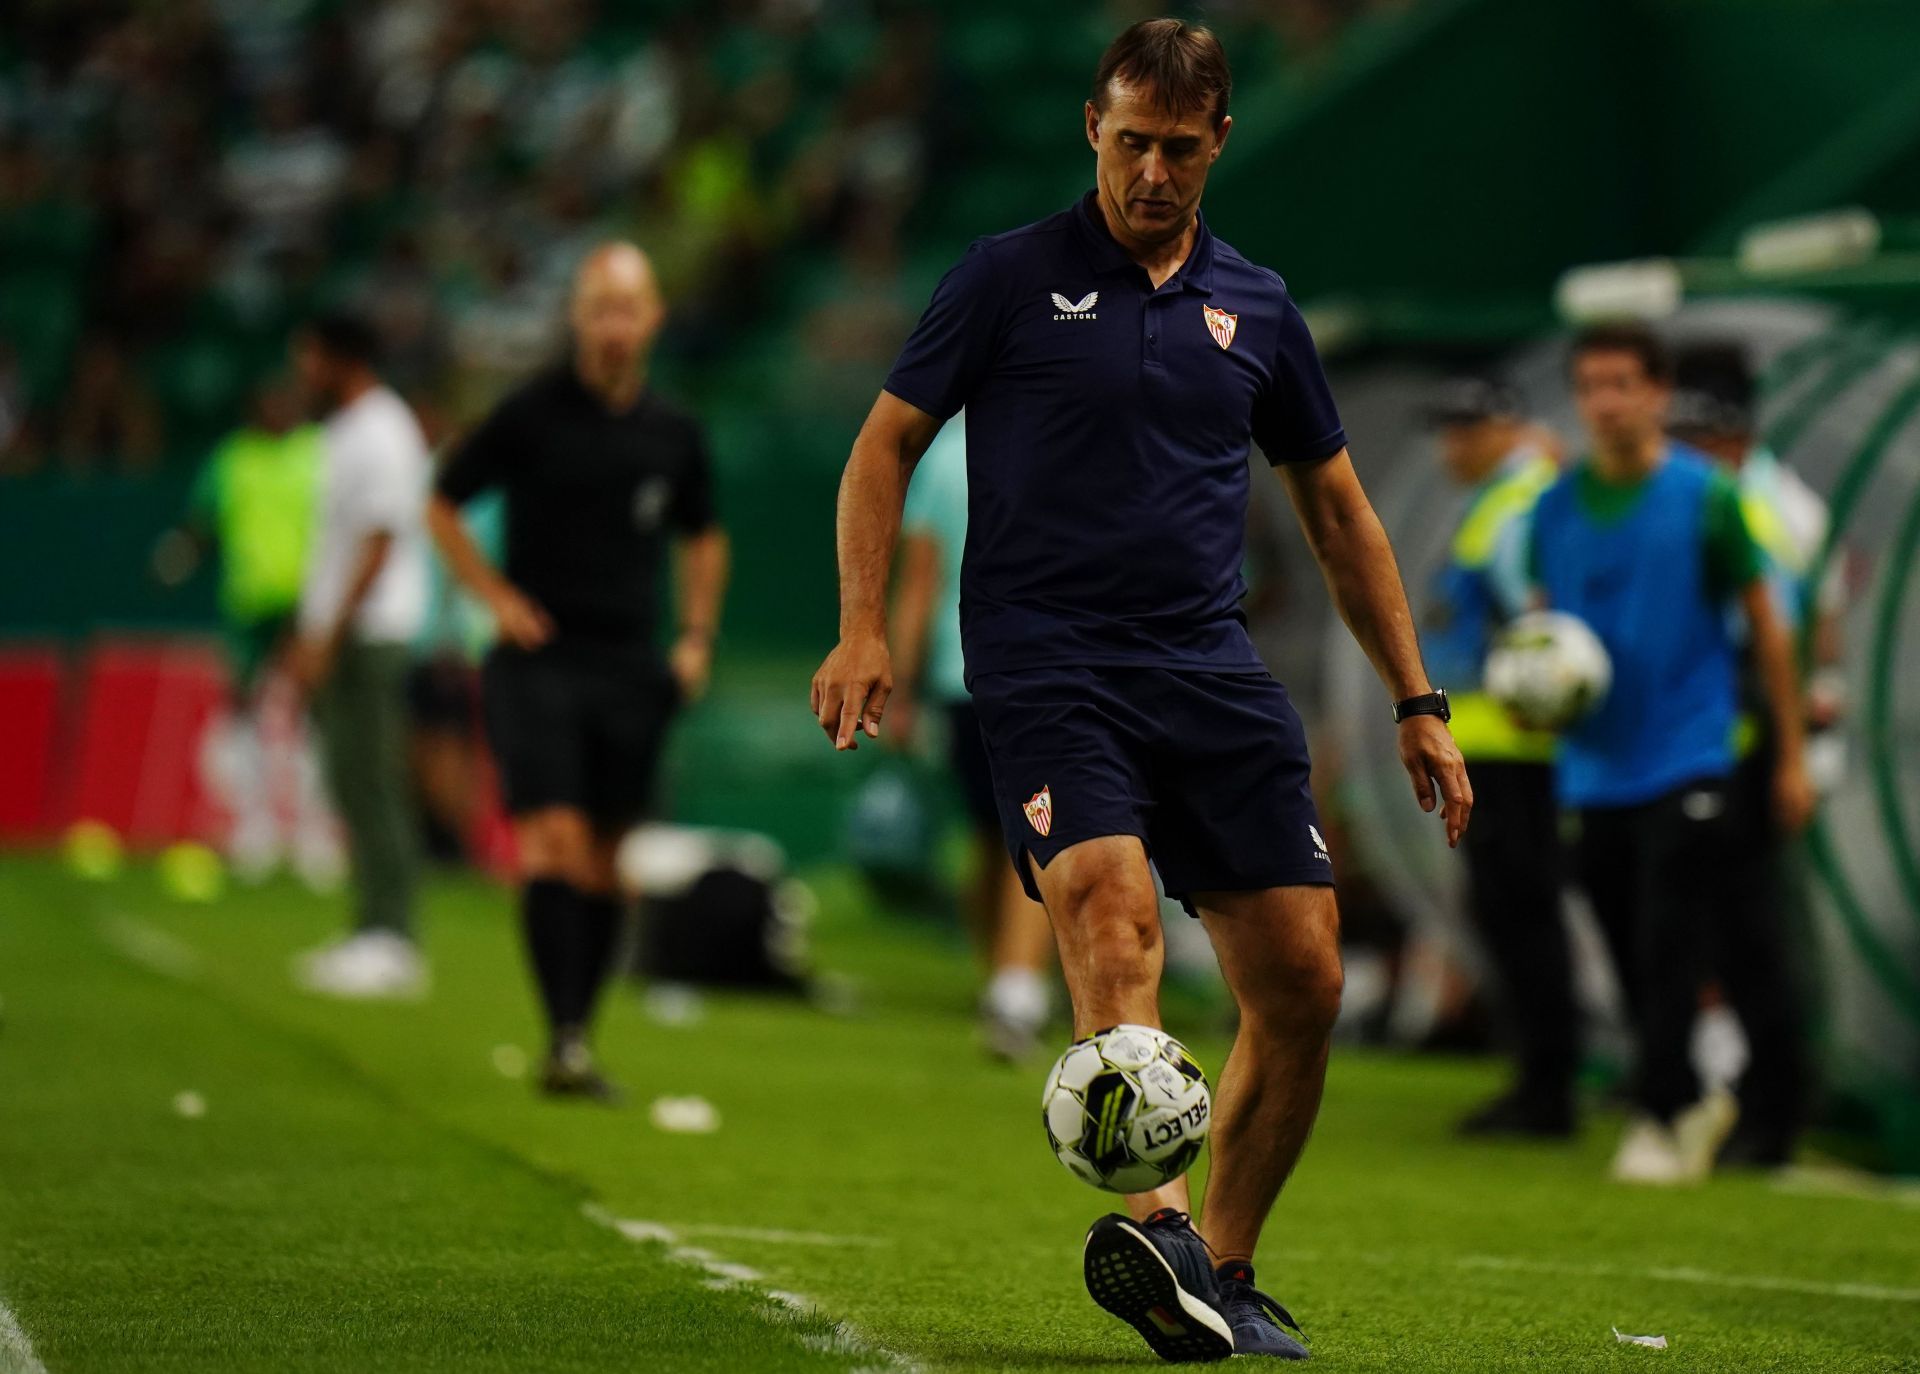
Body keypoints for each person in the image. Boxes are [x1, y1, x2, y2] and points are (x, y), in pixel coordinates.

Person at [811, 20, 1470, 1361]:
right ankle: (1157, 1229)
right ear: (1092, 132)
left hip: (1207, 665)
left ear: (1218, 139)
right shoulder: (1005, 279)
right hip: (1045, 653)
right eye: (1130, 143)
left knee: (1305, 978)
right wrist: (862, 626)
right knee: (1109, 905)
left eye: (1178, 147)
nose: (1152, 172)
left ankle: (1220, 1265)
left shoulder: (1260, 307)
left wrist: (1417, 697)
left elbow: (1339, 513)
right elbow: (884, 444)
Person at [429, 243, 729, 1101]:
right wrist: (493, 596)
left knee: (604, 858)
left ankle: (578, 1038)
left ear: (653, 319)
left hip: (631, 663)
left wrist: (697, 635)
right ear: (577, 317)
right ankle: (560, 1033)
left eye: (627, 308)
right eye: (599, 307)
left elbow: (705, 534)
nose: (613, 326)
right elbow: (442, 500)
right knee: (551, 838)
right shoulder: (530, 414)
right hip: (539, 661)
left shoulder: (674, 432)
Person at [1529, 323, 1814, 1186]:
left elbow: (1768, 625)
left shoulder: (1707, 497)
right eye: (1591, 385)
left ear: (1657, 394)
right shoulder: (1554, 507)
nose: (1607, 401)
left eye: (1624, 383)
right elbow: (1548, 626)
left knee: (1669, 934)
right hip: (1592, 764)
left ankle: (1663, 1112)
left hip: (1691, 756)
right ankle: (1685, 1089)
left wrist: (1793, 755)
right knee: (1619, 936)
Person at [1667, 341, 1831, 1168]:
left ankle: (1775, 1109)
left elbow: (1780, 633)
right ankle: (1724, 1095)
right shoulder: (1747, 496)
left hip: (1749, 739)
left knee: (1753, 931)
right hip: (1720, 738)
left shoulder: (1762, 508)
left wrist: (1792, 750)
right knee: (1720, 927)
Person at [1419, 378, 1572, 1137]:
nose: (1454, 444)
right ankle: (1541, 1076)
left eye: (1467, 427)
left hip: (1516, 748)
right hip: (1493, 743)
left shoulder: (1521, 502)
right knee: (1511, 910)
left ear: (1510, 425)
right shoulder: (1502, 497)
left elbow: (1542, 624)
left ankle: (1546, 1086)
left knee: (1522, 910)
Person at [889, 412, 1057, 1061]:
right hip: (1036, 671)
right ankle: (1014, 987)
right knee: (1033, 835)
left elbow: (918, 583)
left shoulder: (942, 457)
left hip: (961, 676)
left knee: (994, 839)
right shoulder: (1057, 439)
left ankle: (1006, 982)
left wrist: (903, 687)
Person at [288, 313, 433, 998]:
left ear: (339, 358)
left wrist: (328, 634)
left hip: (369, 635)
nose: (301, 371)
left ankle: (394, 938)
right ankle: (368, 925)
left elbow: (378, 546)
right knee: (350, 778)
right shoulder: (347, 430)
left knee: (375, 780)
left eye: (309, 356)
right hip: (348, 632)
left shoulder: (382, 430)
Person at [155, 375, 340, 886]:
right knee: (243, 708)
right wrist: (178, 557)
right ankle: (253, 825)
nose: (276, 406)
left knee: (313, 712)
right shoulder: (231, 459)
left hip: (308, 603)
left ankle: (313, 830)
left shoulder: (317, 453)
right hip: (247, 602)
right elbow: (202, 523)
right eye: (268, 397)